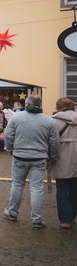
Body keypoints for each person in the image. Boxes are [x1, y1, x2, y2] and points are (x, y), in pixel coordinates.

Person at [3, 94, 59, 229]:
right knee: (37, 188)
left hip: (19, 157)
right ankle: (37, 219)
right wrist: (52, 157)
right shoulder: (49, 121)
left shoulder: (16, 117)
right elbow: (54, 142)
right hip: (39, 159)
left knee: (17, 185)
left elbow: (8, 136)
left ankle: (12, 212)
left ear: (26, 104)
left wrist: (10, 150)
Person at [50, 97, 77, 229]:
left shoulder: (54, 122)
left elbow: (51, 142)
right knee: (74, 188)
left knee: (62, 188)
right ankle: (72, 215)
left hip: (62, 158)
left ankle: (65, 219)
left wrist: (51, 157)